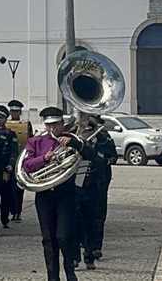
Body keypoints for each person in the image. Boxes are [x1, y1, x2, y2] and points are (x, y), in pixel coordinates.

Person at [22, 107, 96, 281]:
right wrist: (45, 159)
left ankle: (70, 272)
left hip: (65, 195)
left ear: (62, 124)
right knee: (48, 240)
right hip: (44, 195)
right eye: (49, 125)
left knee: (63, 236)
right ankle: (52, 277)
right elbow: (27, 165)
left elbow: (91, 155)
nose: (52, 129)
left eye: (56, 124)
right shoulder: (36, 142)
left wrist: (75, 144)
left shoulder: (71, 139)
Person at [72, 116, 116, 270]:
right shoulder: (72, 134)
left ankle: (91, 253)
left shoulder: (103, 138)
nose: (85, 125)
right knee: (75, 221)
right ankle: (75, 256)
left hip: (96, 185)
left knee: (94, 220)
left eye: (88, 123)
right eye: (83, 120)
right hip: (76, 185)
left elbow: (111, 157)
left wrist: (97, 134)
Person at [0, 106, 18, 233]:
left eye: (2, 118)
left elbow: (14, 152)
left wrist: (11, 164)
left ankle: (5, 218)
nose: (0, 120)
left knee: (6, 196)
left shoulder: (10, 134)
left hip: (6, 170)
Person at [7, 100, 33, 221]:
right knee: (9, 187)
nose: (15, 113)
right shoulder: (6, 125)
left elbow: (31, 140)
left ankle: (18, 211)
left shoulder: (26, 124)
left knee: (19, 186)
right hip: (9, 160)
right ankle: (11, 210)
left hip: (22, 159)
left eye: (17, 111)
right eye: (13, 111)